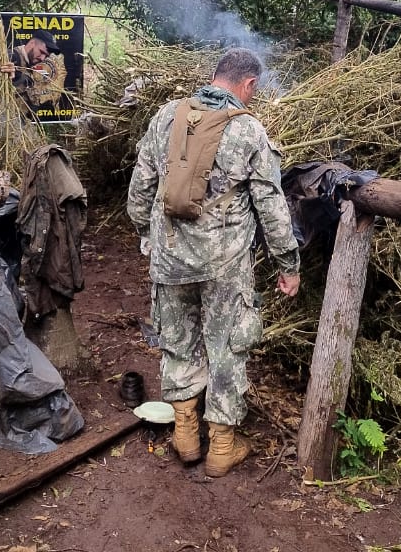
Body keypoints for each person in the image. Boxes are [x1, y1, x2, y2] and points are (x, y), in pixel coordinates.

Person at [126, 47, 301, 477]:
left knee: (178, 340)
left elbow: (141, 184)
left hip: (170, 257)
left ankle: (185, 435)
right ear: (248, 86)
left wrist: (146, 234)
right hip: (225, 263)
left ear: (215, 75)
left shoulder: (168, 116)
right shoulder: (248, 131)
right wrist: (288, 264)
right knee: (227, 347)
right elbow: (272, 205)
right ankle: (222, 447)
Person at [2, 28, 61, 111]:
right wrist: (6, 73)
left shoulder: (29, 65)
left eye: (46, 56)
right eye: (41, 52)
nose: (42, 58)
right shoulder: (10, 57)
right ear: (32, 43)